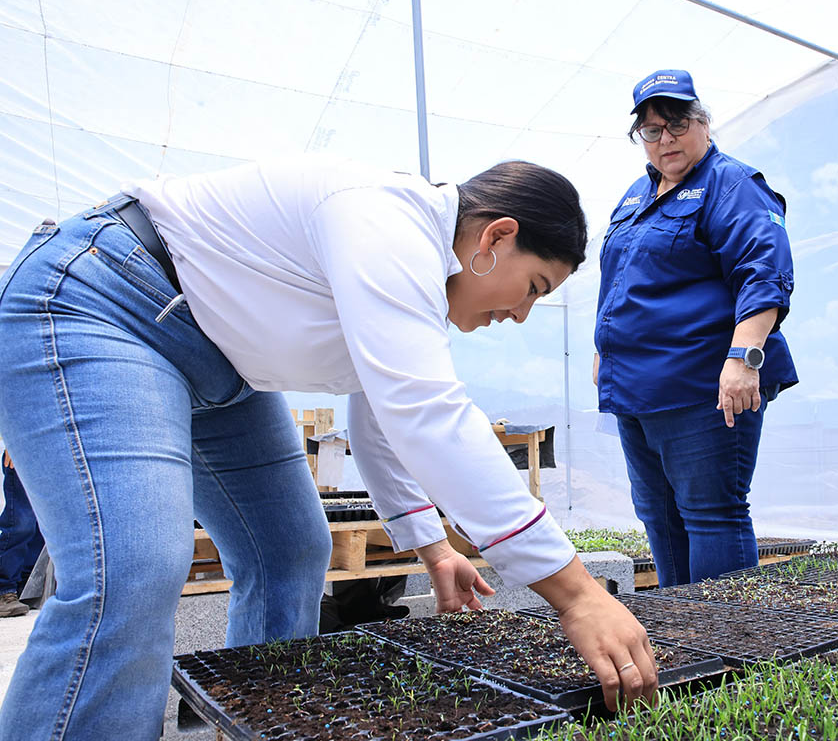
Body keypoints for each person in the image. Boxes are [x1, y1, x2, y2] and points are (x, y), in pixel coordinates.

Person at [0, 155, 657, 738]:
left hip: (220, 363)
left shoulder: (413, 283)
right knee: (132, 571)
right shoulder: (387, 221)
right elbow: (427, 415)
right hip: (105, 303)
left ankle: (253, 725)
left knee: (288, 550)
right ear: (496, 237)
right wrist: (578, 595)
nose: (520, 314)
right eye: (533, 287)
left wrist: (432, 547)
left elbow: (380, 423)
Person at [593, 70, 798, 588]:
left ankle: (729, 636)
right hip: (637, 390)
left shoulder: (731, 184)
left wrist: (744, 358)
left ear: (703, 123)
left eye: (677, 124)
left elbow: (763, 271)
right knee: (658, 518)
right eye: (651, 129)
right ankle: (681, 631)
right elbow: (618, 278)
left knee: (712, 514)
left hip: (703, 385)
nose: (665, 139)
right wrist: (603, 350)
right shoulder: (636, 195)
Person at [0, 450, 43, 617]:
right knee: (21, 523)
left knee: (42, 526)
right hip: (24, 452)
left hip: (52, 454)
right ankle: (4, 588)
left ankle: (25, 588)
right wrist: (12, 445)